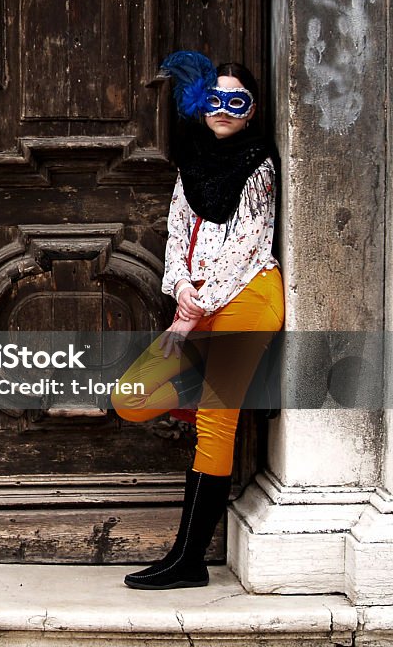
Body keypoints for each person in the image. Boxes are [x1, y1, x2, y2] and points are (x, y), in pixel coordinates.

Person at [109, 51, 285, 590]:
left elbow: (247, 246)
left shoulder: (260, 166)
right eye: (216, 100)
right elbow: (177, 228)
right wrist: (183, 290)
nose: (225, 110)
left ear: (252, 112)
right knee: (132, 397)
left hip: (248, 299)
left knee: (214, 423)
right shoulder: (191, 164)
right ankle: (233, 383)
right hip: (199, 301)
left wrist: (189, 317)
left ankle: (188, 561)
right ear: (201, 105)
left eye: (238, 102)